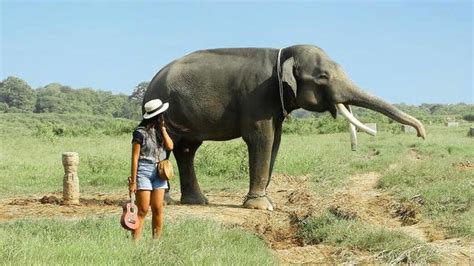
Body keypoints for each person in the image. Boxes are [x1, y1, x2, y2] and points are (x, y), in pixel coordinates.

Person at [128, 99, 174, 240]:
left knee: (158, 209)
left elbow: (170, 146)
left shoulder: (160, 131)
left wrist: (164, 130)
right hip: (144, 171)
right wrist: (133, 181)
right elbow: (135, 158)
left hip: (160, 172)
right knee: (142, 210)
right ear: (158, 116)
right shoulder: (139, 133)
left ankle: (156, 242)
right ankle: (135, 243)